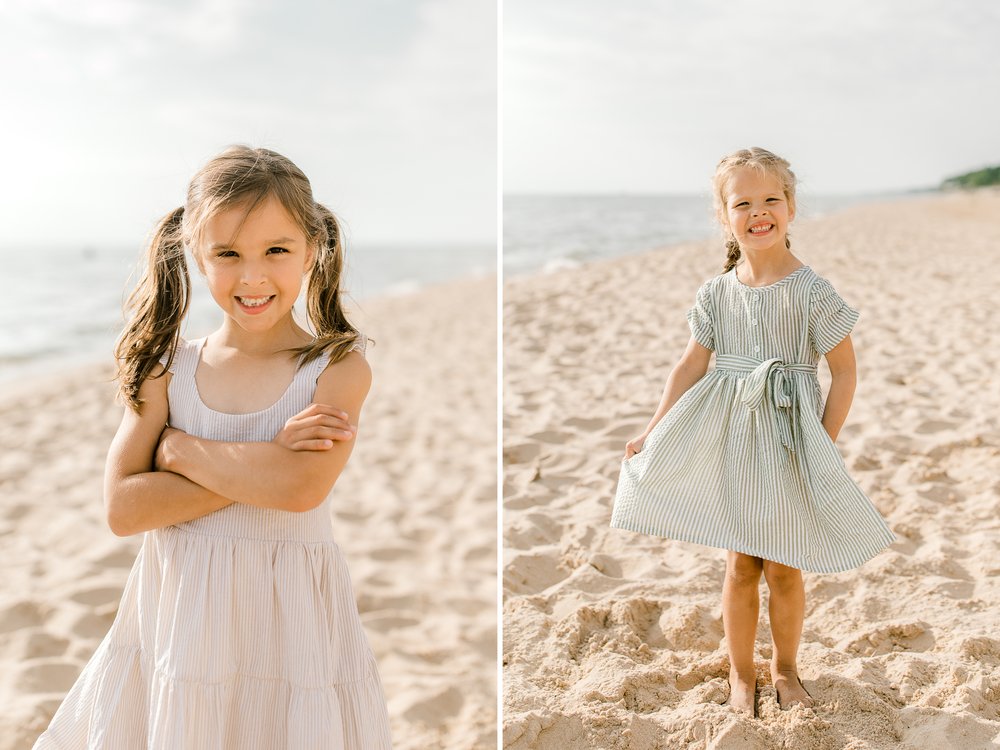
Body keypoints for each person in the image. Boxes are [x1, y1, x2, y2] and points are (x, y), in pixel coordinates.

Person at [35, 146, 393, 748]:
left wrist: (176, 451)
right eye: (227, 254)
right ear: (197, 257)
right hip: (183, 622)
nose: (252, 277)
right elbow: (124, 508)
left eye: (276, 251)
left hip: (288, 626)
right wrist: (261, 460)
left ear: (312, 248)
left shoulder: (336, 367)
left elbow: (298, 488)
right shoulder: (166, 368)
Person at [610, 147, 895, 718]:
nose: (758, 212)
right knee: (741, 564)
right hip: (733, 439)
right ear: (725, 216)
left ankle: (785, 669)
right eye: (743, 203)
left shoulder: (813, 291)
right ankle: (742, 676)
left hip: (792, 440)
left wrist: (824, 441)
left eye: (771, 200)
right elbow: (690, 366)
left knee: (785, 564)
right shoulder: (717, 293)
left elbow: (844, 372)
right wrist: (653, 427)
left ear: (790, 208)